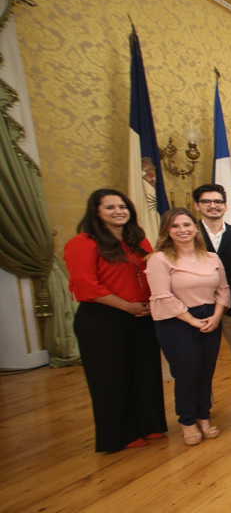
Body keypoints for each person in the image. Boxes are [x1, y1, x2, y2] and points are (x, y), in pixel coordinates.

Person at [64, 189, 167, 452]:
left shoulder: (138, 241)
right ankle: (121, 434)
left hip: (142, 316)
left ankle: (149, 425)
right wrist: (127, 306)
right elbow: (86, 285)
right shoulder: (82, 243)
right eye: (109, 207)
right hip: (103, 319)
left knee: (145, 372)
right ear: (96, 212)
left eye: (122, 206)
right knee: (111, 379)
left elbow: (154, 273)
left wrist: (150, 304)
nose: (118, 211)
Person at [145, 207, 231, 446]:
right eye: (175, 226)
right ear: (167, 231)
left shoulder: (211, 257)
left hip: (210, 318)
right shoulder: (159, 259)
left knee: (206, 371)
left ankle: (204, 416)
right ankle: (187, 420)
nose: (182, 230)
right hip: (176, 322)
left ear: (195, 228)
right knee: (187, 372)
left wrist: (216, 316)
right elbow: (162, 295)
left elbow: (223, 289)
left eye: (186, 225)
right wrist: (192, 320)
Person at [193, 183, 231, 415]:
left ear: (225, 206)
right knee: (200, 361)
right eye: (206, 201)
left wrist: (227, 303)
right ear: (197, 206)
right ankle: (202, 403)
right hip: (198, 310)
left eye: (218, 201)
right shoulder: (187, 233)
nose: (213, 206)